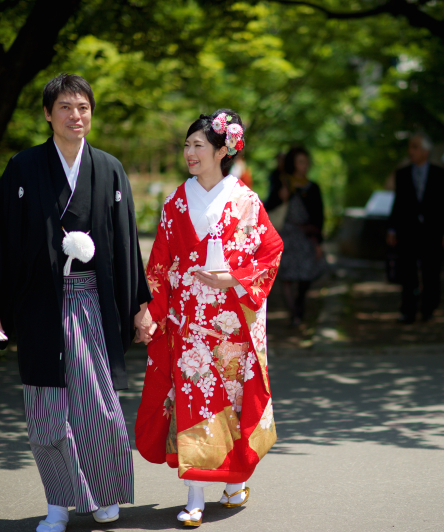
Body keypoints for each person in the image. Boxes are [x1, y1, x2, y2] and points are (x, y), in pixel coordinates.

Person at [0, 74, 154, 532]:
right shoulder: (24, 167)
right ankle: (58, 502)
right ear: (49, 114)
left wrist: (139, 306)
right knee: (46, 408)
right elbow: (0, 237)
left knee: (101, 406)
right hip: (39, 305)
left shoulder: (109, 168)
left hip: (92, 300)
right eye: (67, 108)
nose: (77, 116)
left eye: (84, 108)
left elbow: (126, 243)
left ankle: (106, 494)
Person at [134, 109, 283, 527]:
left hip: (232, 318)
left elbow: (269, 252)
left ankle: (233, 483)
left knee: (232, 405)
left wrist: (234, 277)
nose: (189, 153)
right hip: (189, 321)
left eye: (198, 145)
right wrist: (152, 311)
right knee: (195, 401)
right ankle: (195, 494)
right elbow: (160, 264)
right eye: (186, 145)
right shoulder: (176, 201)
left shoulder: (245, 199)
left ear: (222, 150)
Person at [386, 131, 444, 323]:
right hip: (408, 231)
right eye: (410, 147)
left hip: (432, 231)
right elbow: (398, 203)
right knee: (407, 272)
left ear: (426, 151)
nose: (411, 151)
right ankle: (408, 310)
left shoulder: (440, 174)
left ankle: (429, 309)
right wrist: (392, 228)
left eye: (415, 147)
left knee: (431, 271)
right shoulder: (402, 174)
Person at [264, 147, 325, 326]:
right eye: (300, 162)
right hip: (286, 236)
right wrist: (280, 196)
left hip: (306, 237)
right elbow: (269, 206)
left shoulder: (313, 187)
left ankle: (299, 307)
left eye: (305, 162)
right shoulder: (282, 183)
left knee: (306, 273)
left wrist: (318, 241)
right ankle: (295, 314)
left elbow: (319, 216)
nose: (303, 166)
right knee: (288, 276)